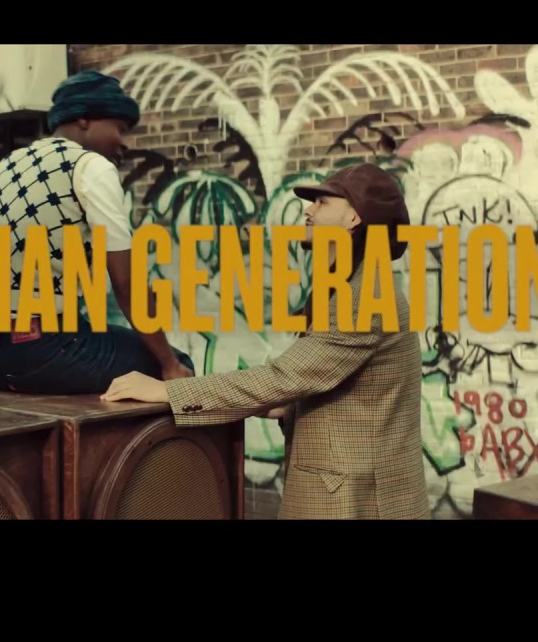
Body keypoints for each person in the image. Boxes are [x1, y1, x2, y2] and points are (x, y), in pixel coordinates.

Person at [101, 162, 429, 520]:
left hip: (353, 500)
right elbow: (346, 387)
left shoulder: (362, 295)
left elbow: (285, 377)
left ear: (353, 218)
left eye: (322, 203)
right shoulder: (355, 284)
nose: (308, 211)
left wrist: (168, 391)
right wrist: (288, 407)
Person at [0, 70, 195, 394]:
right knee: (177, 367)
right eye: (120, 128)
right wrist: (170, 364)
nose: (124, 143)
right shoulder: (90, 166)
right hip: (45, 352)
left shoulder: (4, 167)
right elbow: (126, 283)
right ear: (84, 119)